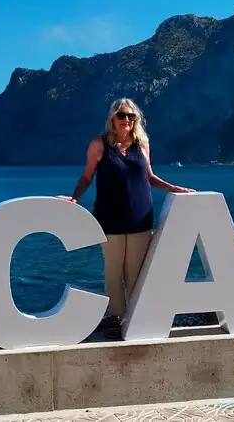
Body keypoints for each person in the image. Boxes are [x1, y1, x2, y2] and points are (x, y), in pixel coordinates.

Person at [57, 98, 194, 339]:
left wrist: (175, 188)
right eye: (122, 115)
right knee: (113, 271)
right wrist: (74, 197)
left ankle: (136, 319)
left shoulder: (142, 145)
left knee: (135, 273)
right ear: (113, 118)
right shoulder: (99, 145)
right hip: (110, 219)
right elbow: (87, 176)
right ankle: (115, 318)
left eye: (131, 116)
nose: (127, 120)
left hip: (140, 217)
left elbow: (149, 177)